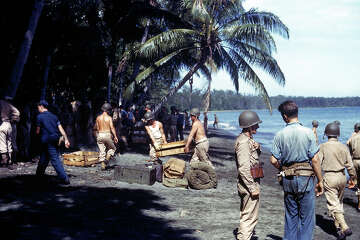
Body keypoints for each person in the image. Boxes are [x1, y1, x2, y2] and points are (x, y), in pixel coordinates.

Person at [269, 100, 323, 240]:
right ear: (297, 114)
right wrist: (320, 180)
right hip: (305, 179)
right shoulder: (308, 133)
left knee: (291, 216)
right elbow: (315, 160)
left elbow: (273, 160)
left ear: (285, 116)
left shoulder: (280, 134)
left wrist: (283, 169)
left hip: (288, 179)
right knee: (307, 219)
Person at [318, 122, 356, 239]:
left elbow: (317, 163)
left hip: (329, 177)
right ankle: (338, 229)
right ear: (338, 134)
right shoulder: (343, 147)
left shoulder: (323, 146)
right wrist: (353, 178)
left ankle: (344, 227)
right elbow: (350, 165)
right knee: (339, 203)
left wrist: (317, 179)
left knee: (333, 204)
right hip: (342, 176)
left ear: (326, 134)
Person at [234, 111, 262, 240]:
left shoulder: (247, 140)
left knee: (248, 215)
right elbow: (244, 168)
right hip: (248, 183)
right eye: (255, 125)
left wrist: (258, 148)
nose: (257, 127)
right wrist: (252, 187)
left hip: (249, 181)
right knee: (249, 217)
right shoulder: (244, 142)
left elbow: (252, 159)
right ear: (249, 127)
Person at [35, 100, 71, 185]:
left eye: (38, 107)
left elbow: (37, 131)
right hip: (55, 139)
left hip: (46, 140)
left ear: (41, 106)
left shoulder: (39, 117)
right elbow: (61, 128)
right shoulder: (54, 116)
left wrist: (36, 137)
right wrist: (66, 139)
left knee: (54, 159)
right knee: (44, 158)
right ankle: (38, 176)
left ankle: (64, 178)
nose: (38, 109)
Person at [94, 103, 118, 170]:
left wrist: (98, 135)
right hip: (107, 134)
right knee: (113, 148)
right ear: (109, 110)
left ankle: (103, 165)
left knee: (102, 151)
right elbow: (112, 128)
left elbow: (97, 128)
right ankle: (107, 159)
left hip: (100, 134)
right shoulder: (109, 118)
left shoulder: (98, 118)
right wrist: (115, 136)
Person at [0, 97, 20, 168]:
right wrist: (13, 119)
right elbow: (17, 112)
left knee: (2, 143)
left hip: (2, 124)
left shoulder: (1, 103)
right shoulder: (10, 105)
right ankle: (11, 160)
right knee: (9, 142)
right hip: (9, 124)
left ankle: (4, 161)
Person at [347, 122, 360, 211]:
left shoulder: (353, 138)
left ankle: (359, 204)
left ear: (355, 129)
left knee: (358, 183)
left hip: (355, 160)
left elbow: (348, 145)